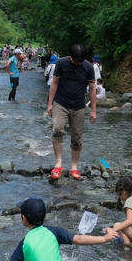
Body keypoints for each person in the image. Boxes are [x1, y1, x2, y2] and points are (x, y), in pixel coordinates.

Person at [0, 197, 117, 261]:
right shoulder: (54, 232)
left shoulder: (25, 242)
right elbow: (79, 239)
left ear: (23, 218)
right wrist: (104, 239)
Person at [46, 44, 96, 181]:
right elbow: (54, 83)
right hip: (60, 103)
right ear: (71, 57)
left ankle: (74, 166)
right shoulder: (61, 63)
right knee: (57, 129)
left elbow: (92, 89)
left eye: (81, 61)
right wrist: (50, 104)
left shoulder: (88, 67)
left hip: (79, 106)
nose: (79, 64)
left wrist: (93, 110)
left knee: (77, 136)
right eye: (76, 61)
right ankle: (58, 164)